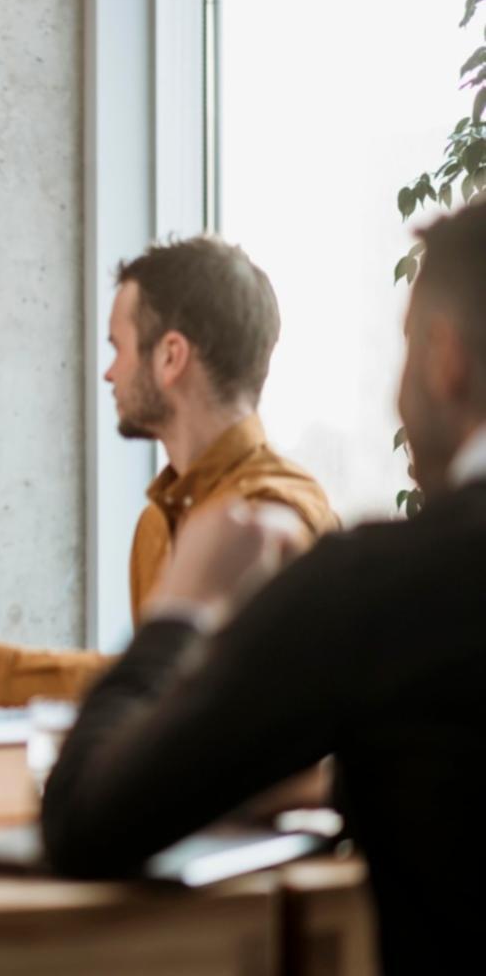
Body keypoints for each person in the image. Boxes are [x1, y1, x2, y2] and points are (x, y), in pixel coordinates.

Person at [41, 203, 486, 972]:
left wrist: (179, 611)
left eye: (405, 351)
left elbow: (86, 820)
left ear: (444, 356)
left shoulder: (378, 584)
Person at [0, 236, 338, 705]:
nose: (109, 372)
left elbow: (172, 693)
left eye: (118, 347)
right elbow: (144, 697)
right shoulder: (156, 523)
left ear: (170, 356)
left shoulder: (272, 516)